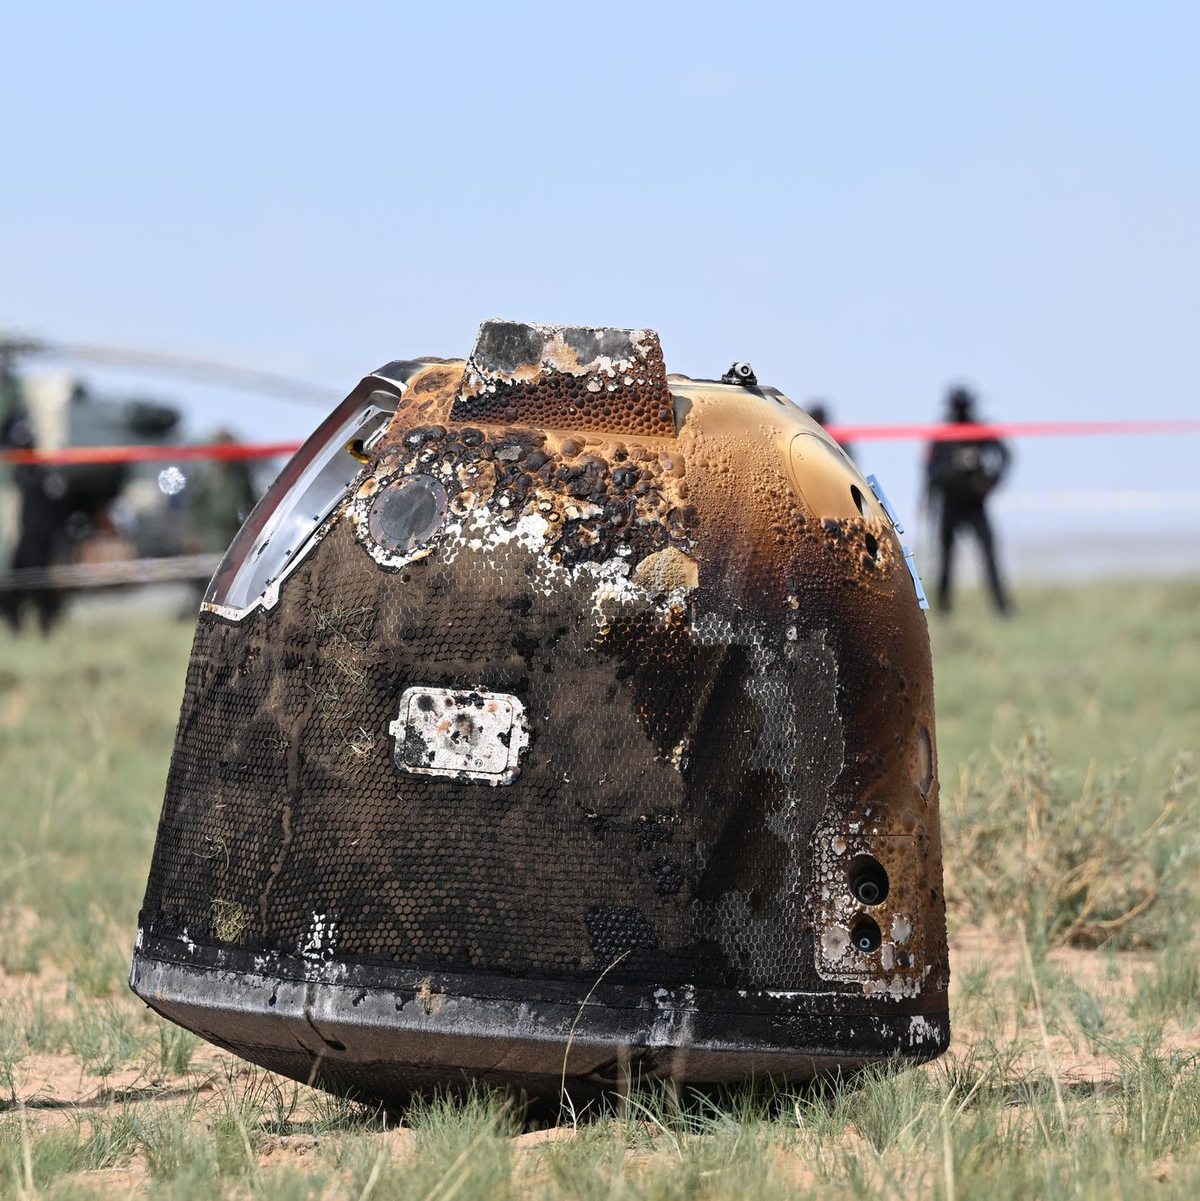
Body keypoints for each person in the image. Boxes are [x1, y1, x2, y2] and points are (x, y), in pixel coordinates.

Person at [924, 386, 1012, 614]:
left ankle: (1001, 607)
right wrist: (930, 498)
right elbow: (930, 471)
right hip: (950, 502)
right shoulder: (942, 437)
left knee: (988, 554)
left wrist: (991, 481)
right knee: (946, 558)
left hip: (975, 502)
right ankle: (944, 608)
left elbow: (1005, 456)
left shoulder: (981, 432)